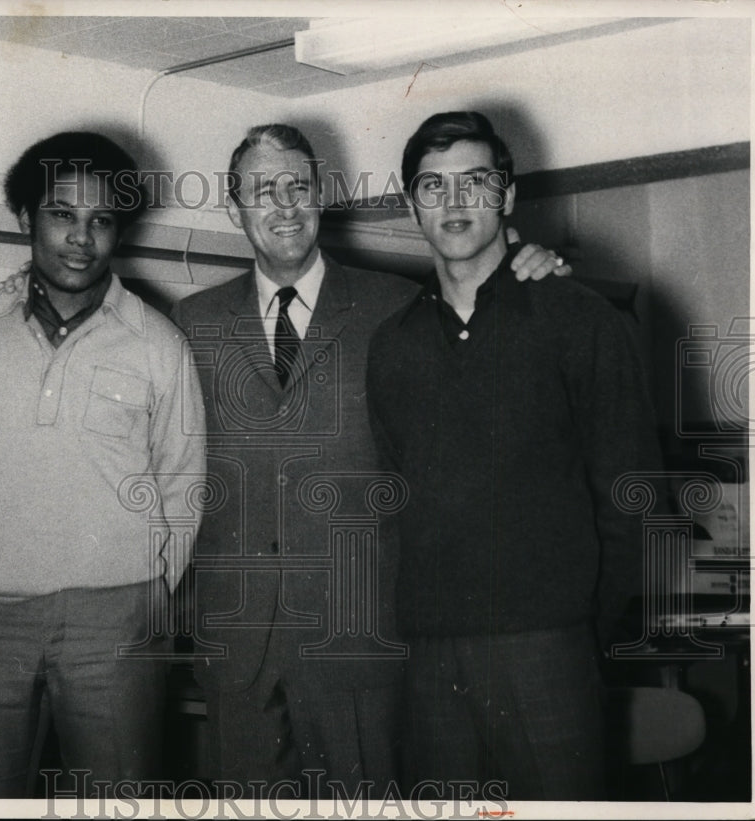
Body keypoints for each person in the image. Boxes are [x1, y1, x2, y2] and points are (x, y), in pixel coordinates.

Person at [171, 123, 569, 798]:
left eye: (298, 185)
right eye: (262, 191)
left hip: (361, 640)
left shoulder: (399, 306)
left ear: (321, 196)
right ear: (233, 208)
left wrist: (541, 267)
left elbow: (490, 351)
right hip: (238, 648)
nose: (284, 205)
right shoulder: (190, 322)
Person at [366, 111, 661, 801]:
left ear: (507, 195)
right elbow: (396, 499)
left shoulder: (581, 319)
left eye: (475, 181)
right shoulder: (393, 343)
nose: (455, 202)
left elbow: (634, 496)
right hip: (433, 657)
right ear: (412, 205)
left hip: (550, 647)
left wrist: (580, 624)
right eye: (433, 186)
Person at [0, 131, 206, 798]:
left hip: (117, 620)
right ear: (26, 218)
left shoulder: (160, 345)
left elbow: (183, 486)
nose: (82, 237)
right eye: (62, 215)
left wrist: (141, 591)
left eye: (101, 220)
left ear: (119, 230)